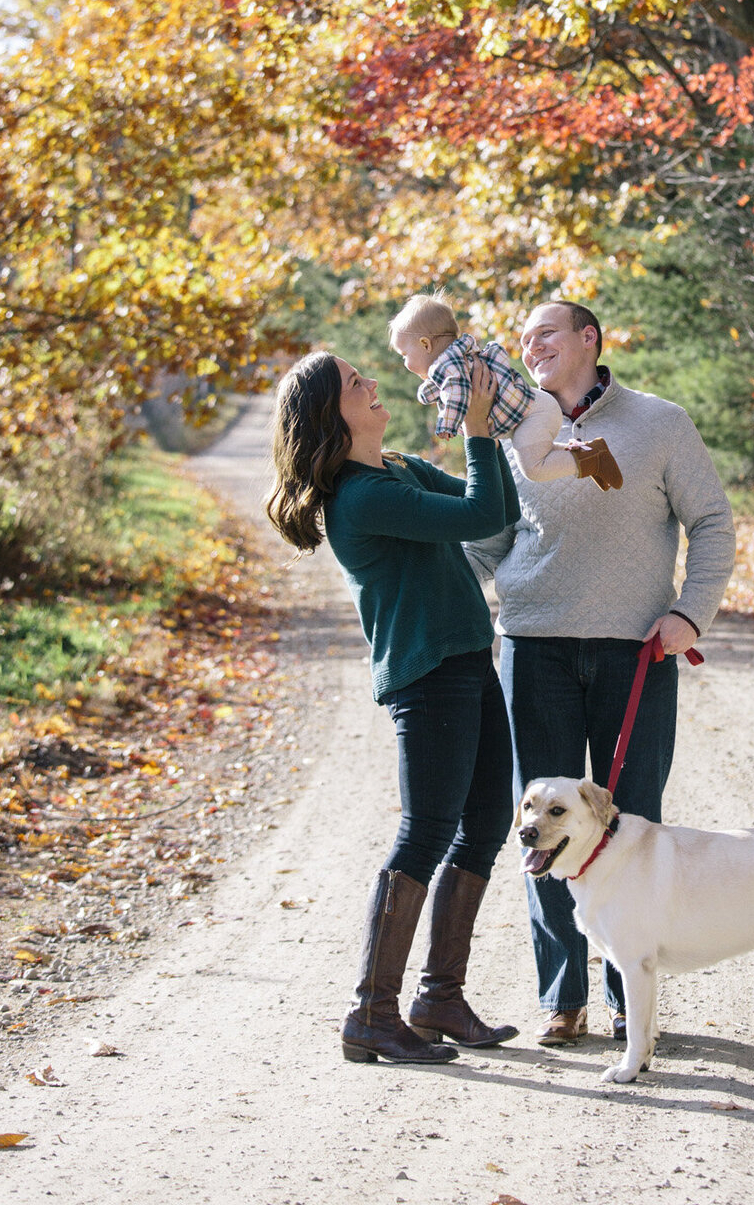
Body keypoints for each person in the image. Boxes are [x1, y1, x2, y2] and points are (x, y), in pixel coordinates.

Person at [467, 299, 736, 1046]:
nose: (531, 344)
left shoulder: (659, 423)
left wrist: (691, 614)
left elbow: (711, 520)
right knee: (542, 835)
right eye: (524, 338)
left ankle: (630, 998)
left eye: (545, 331)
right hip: (533, 645)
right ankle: (563, 998)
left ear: (589, 339)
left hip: (636, 651)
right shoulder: (514, 432)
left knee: (633, 823)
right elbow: (484, 539)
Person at [266, 348, 521, 1065]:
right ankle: (370, 1013)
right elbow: (477, 514)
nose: (372, 384)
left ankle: (439, 996)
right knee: (427, 832)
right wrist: (477, 428)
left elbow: (496, 508)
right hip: (427, 676)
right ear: (331, 414)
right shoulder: (360, 497)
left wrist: (493, 435)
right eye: (355, 383)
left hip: (470, 661)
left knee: (488, 821)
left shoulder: (398, 469)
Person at [389, 291, 622, 491]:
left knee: (534, 468)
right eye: (525, 342)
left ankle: (593, 458)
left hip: (533, 412)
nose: (405, 364)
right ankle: (586, 452)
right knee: (539, 453)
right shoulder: (457, 360)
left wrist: (447, 424)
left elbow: (456, 393)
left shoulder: (449, 367)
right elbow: (443, 387)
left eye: (404, 355)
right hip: (532, 411)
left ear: (425, 345)